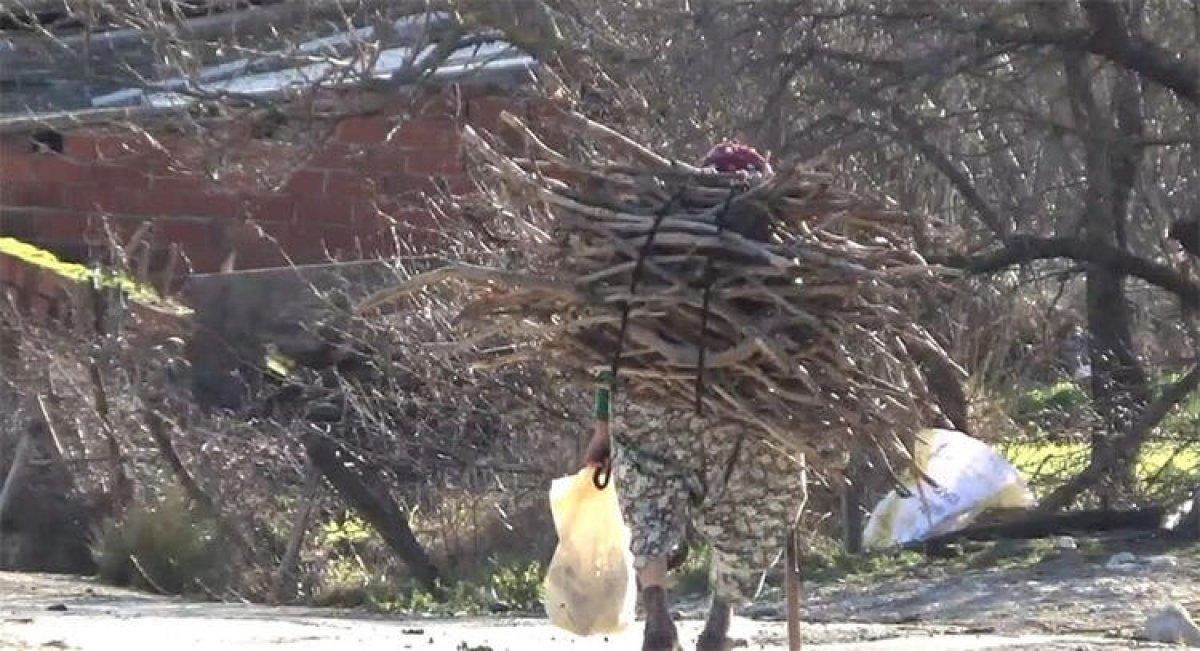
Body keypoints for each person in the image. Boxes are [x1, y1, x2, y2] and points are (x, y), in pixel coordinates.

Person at [584, 142, 805, 651]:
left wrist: (602, 430)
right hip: (745, 410)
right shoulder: (783, 258)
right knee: (762, 498)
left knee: (649, 501)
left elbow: (611, 342)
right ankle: (719, 624)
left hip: (653, 401)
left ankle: (657, 609)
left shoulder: (652, 248)